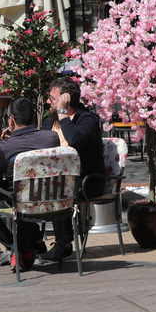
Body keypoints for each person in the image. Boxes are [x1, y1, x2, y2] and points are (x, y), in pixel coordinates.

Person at [0, 97, 61, 270]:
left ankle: (15, 249)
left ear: (11, 120)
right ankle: (31, 244)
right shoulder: (52, 138)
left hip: (20, 201)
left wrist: (6, 147)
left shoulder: (6, 147)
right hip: (51, 200)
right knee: (25, 201)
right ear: (34, 117)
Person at [38, 77, 106, 264]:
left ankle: (64, 245)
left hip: (88, 181)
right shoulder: (49, 122)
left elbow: (75, 140)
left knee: (57, 190)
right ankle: (33, 242)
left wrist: (62, 113)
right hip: (58, 179)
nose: (47, 102)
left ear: (66, 100)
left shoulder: (88, 120)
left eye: (52, 98)